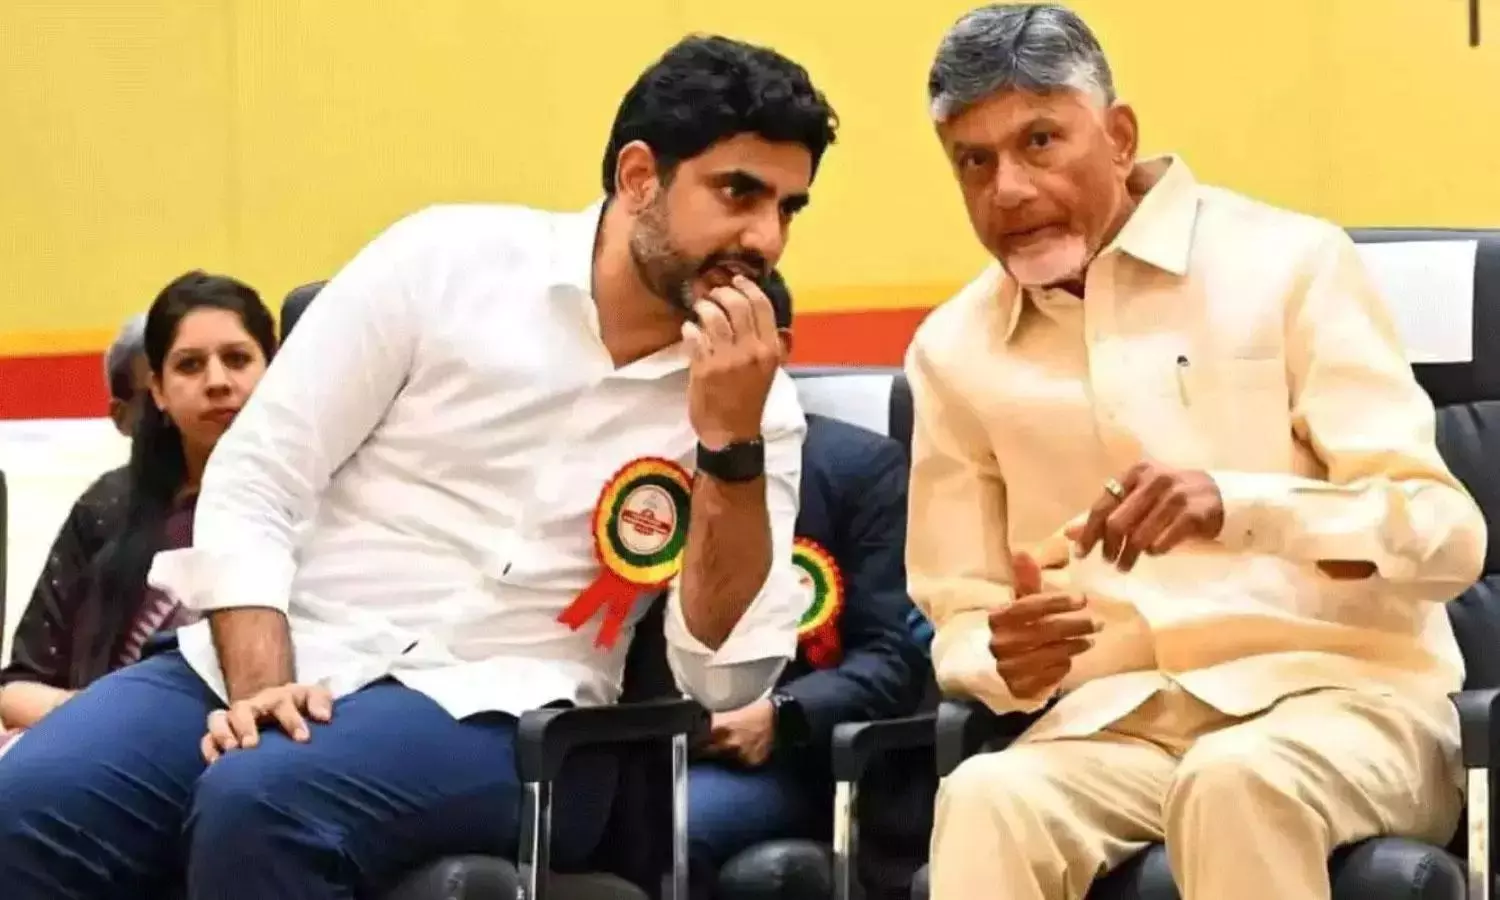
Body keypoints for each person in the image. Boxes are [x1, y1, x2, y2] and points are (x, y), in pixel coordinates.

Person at [0, 34, 837, 900]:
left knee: (264, 801)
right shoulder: (444, 260)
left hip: (505, 715)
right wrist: (262, 691)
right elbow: (258, 475)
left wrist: (729, 446)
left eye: (789, 208)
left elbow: (722, 672)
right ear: (638, 177)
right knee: (29, 801)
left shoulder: (756, 405)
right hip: (289, 651)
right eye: (738, 193)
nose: (765, 238)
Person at [906, 6, 1486, 900]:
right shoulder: (952, 350)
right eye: (973, 162)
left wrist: (1239, 505)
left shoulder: (1291, 265)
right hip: (1118, 726)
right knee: (985, 797)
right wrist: (997, 657)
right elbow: (961, 610)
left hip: (1344, 705)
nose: (1008, 190)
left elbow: (1446, 535)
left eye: (1040, 141)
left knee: (1234, 780)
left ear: (1118, 135)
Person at [688, 270, 926, 895]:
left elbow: (893, 658)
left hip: (794, 757)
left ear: (779, 348)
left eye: (718, 338)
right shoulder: (643, 473)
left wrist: (780, 716)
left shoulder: (861, 467)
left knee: (674, 825)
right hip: (636, 747)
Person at [0, 275, 275, 742]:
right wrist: (108, 719)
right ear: (159, 390)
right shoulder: (109, 507)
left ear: (275, 371)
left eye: (237, 359)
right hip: (104, 756)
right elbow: (18, 688)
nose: (217, 382)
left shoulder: (324, 503)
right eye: (190, 365)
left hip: (260, 751)